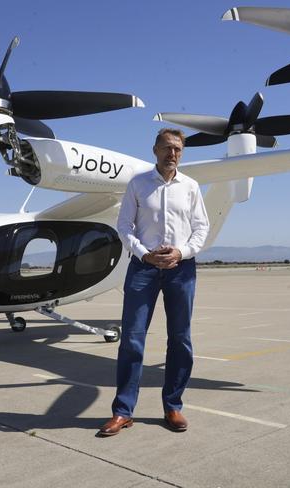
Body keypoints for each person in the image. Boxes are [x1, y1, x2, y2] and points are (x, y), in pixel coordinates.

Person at [98, 128, 209, 436]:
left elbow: (201, 228)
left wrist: (181, 251)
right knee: (132, 339)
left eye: (177, 149)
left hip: (181, 269)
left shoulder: (190, 187)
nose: (172, 153)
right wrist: (145, 254)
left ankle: (173, 406)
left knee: (180, 339)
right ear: (155, 150)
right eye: (166, 148)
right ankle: (123, 411)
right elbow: (124, 225)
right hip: (143, 269)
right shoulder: (138, 184)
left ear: (182, 153)